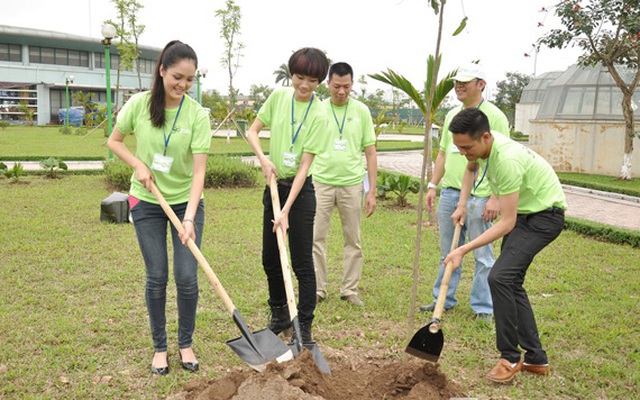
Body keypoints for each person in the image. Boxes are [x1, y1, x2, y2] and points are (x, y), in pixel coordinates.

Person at [107, 40, 211, 376]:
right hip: (147, 201)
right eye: (177, 77)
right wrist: (138, 164)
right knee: (157, 277)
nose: (183, 85)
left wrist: (190, 217)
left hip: (185, 203)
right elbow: (114, 141)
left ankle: (185, 343)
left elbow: (198, 172)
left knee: (186, 277)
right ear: (162, 70)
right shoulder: (138, 105)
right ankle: (160, 348)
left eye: (190, 79)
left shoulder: (197, 115)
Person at [444, 107, 567, 383]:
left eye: (467, 147)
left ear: (485, 137)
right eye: (458, 147)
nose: (463, 152)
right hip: (527, 213)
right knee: (510, 282)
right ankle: (536, 358)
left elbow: (506, 222)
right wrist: (462, 203)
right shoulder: (482, 148)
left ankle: (509, 357)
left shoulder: (507, 159)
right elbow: (469, 168)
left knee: (499, 277)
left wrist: (463, 249)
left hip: (544, 217)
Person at [245, 47, 329, 344]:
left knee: (301, 262)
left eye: (312, 80)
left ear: (320, 81)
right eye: (299, 77)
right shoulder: (278, 97)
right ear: (290, 74)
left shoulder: (320, 114)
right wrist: (264, 160)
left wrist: (286, 211)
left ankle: (303, 326)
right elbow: (252, 132)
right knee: (270, 258)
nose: (304, 85)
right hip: (273, 186)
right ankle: (280, 314)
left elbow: (305, 166)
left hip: (300, 193)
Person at [420, 63, 509, 323]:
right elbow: (443, 153)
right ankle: (443, 299)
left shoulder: (496, 116)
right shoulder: (452, 115)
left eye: (465, 82)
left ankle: (483, 307)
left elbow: (501, 158)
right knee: (449, 249)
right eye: (457, 82)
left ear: (481, 84)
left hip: (482, 195)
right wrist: (433, 185)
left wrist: (495, 197)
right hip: (451, 193)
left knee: (483, 255)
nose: (458, 86)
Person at [312, 62, 377, 307]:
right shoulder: (317, 109)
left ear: (352, 85)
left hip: (352, 184)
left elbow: (370, 152)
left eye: (346, 86)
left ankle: (349, 289)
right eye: (337, 86)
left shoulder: (361, 111)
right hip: (321, 183)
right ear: (328, 84)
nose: (341, 91)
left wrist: (372, 190)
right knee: (316, 238)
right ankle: (318, 289)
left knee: (353, 240)